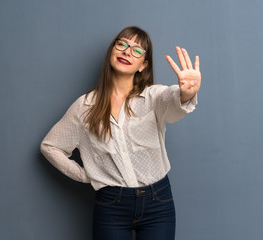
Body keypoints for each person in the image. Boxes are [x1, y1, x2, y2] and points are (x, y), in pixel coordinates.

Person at [40, 25, 201, 240]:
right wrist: (87, 174)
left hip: (158, 203)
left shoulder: (153, 97)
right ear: (112, 51)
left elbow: (173, 103)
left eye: (136, 50)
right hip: (111, 206)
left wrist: (186, 94)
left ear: (143, 65)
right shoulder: (84, 106)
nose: (127, 51)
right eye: (122, 44)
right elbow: (50, 146)